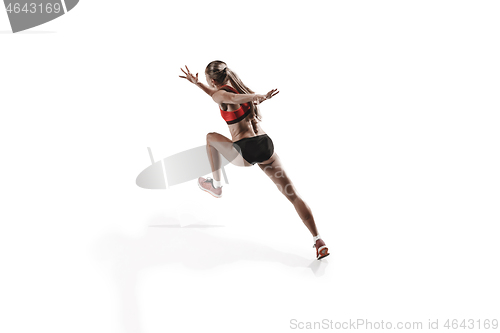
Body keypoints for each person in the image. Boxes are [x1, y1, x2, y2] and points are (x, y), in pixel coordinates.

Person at [179, 61, 329, 260]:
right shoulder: (238, 88)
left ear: (213, 81)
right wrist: (198, 84)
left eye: (207, 81)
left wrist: (257, 96)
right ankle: (318, 239)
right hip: (265, 146)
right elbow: (225, 97)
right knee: (292, 193)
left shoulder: (229, 94)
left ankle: (216, 185)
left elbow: (228, 97)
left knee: (210, 138)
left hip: (245, 151)